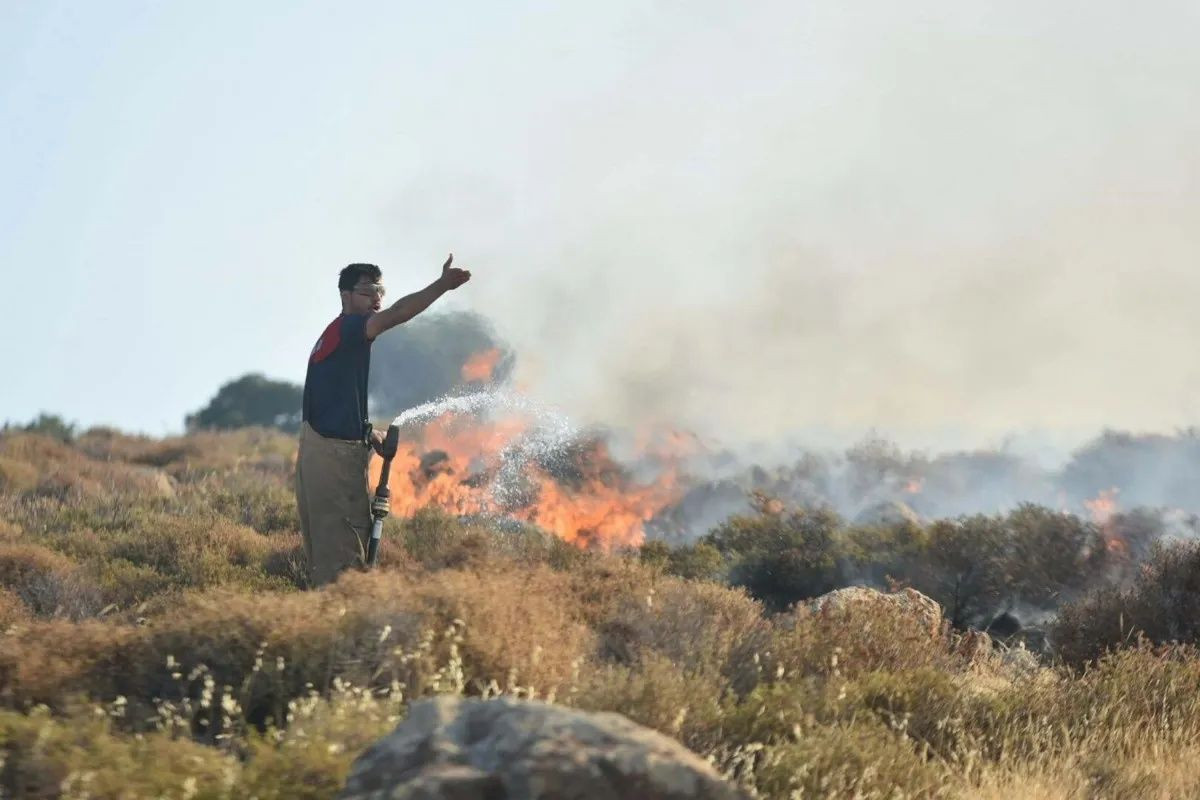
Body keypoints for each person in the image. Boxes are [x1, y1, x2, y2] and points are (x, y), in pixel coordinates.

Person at [295, 255, 471, 586]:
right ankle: (344, 614)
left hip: (317, 452)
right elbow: (398, 314)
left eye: (381, 291)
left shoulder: (334, 334)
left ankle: (330, 609)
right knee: (344, 559)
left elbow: (334, 403)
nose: (376, 298)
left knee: (326, 553)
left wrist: (368, 432)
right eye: (368, 291)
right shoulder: (350, 328)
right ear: (346, 296)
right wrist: (442, 286)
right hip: (333, 459)